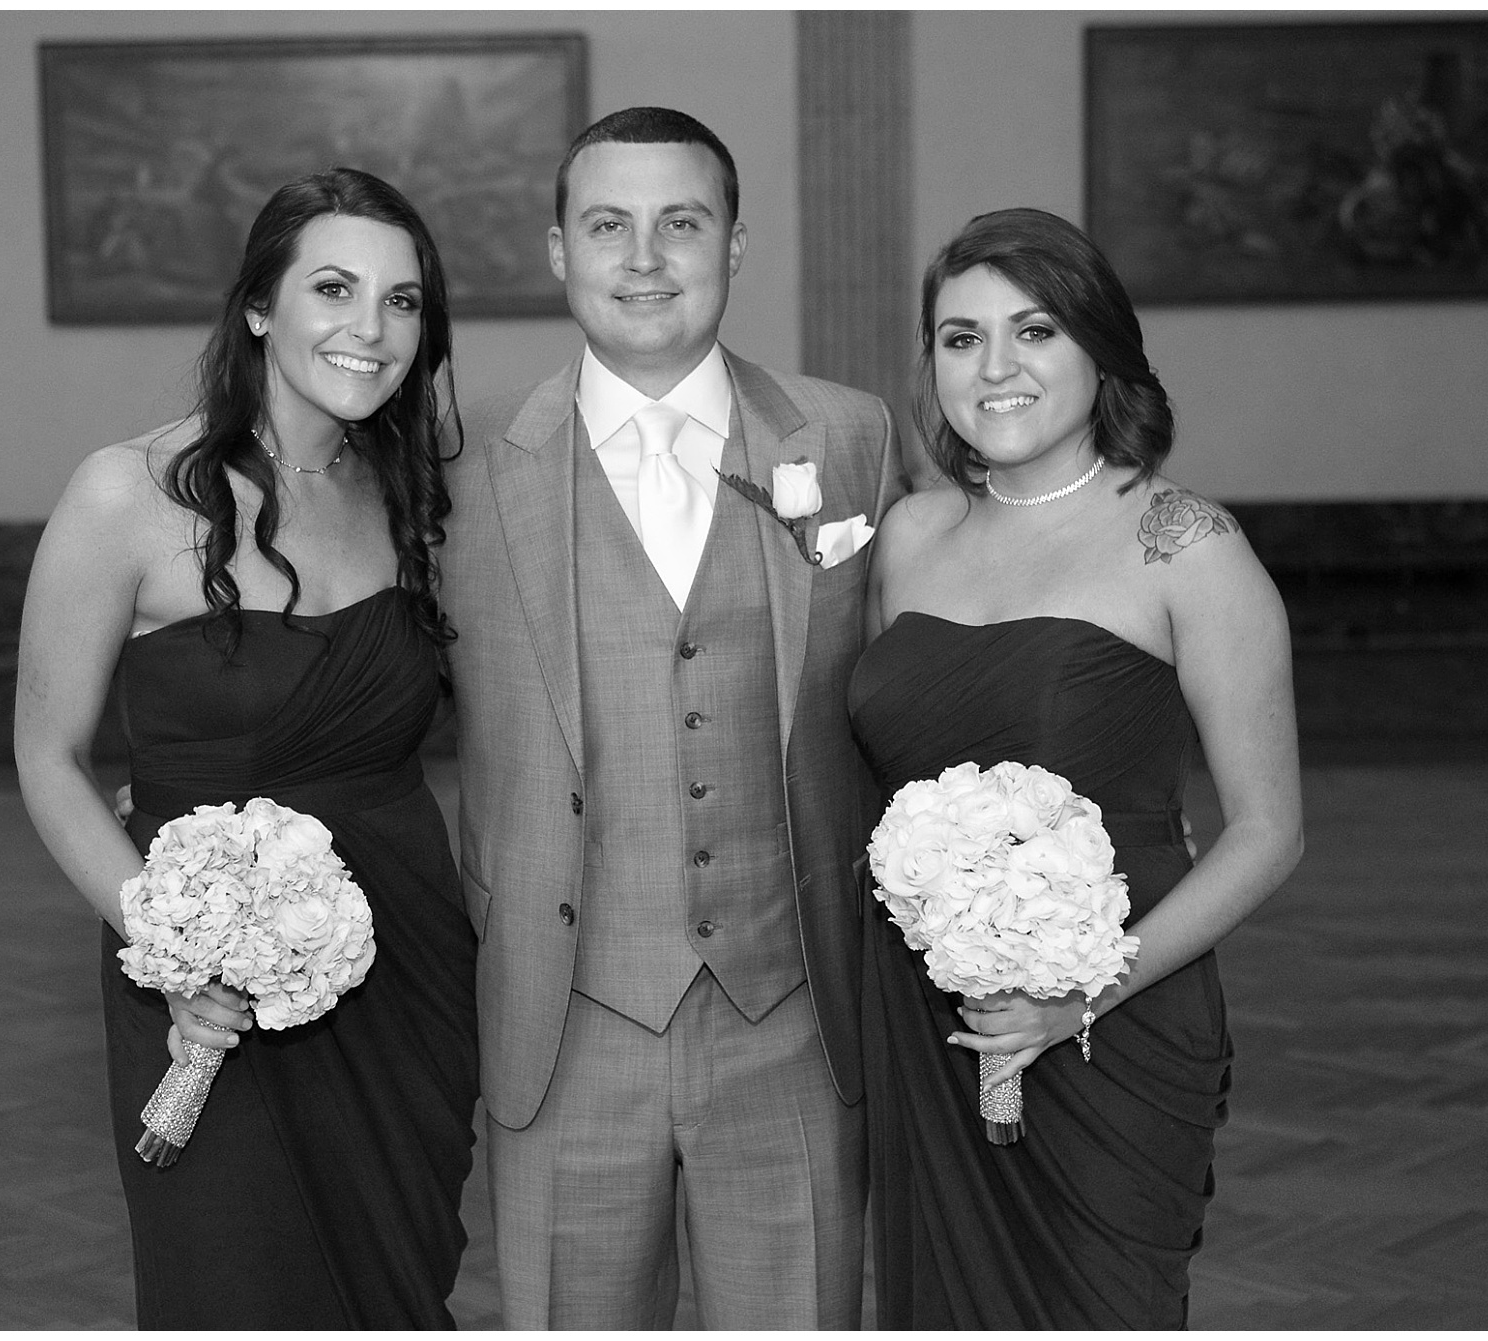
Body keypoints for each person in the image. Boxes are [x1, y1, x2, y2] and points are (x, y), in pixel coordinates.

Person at [440, 107, 907, 1328]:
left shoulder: (850, 439)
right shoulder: (457, 468)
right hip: (561, 1022)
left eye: (680, 223)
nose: (644, 257)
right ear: (557, 251)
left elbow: (934, 680)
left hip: (794, 1014)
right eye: (608, 225)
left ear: (735, 246)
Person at [13, 169, 478, 1328]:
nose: (369, 330)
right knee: (234, 1279)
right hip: (201, 986)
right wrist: (176, 949)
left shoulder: (421, 497)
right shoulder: (128, 495)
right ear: (260, 308)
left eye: (403, 301)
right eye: (333, 288)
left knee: (395, 1277)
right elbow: (47, 757)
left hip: (404, 963)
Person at [850, 206, 1304, 1327]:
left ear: (1097, 349)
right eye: (960, 339)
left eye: (1033, 331)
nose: (993, 368)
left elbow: (1266, 832)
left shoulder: (1183, 543)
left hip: (1113, 1019)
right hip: (925, 1013)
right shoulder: (909, 535)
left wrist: (1079, 995)